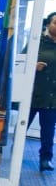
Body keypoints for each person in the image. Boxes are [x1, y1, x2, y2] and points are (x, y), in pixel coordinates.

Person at [29, 11, 56, 172]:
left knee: (48, 131)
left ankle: (45, 159)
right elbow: (20, 62)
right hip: (32, 95)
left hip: (52, 97)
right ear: (48, 24)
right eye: (55, 23)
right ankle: (11, 153)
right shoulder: (37, 42)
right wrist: (33, 66)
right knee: (22, 127)